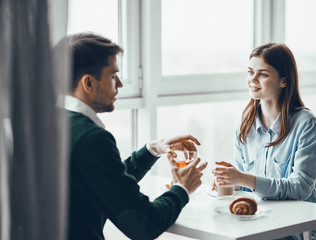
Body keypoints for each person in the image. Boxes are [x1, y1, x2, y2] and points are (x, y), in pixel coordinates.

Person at [60, 32, 207, 240]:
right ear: (88, 83)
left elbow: (108, 183)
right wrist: (182, 188)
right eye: (113, 76)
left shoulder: (46, 122)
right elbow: (144, 224)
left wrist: (152, 149)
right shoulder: (91, 138)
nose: (119, 84)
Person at [213, 43, 316, 240]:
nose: (252, 80)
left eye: (262, 74)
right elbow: (246, 188)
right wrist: (231, 182)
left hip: (293, 233)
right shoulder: (245, 125)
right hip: (256, 229)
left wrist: (243, 179)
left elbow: (300, 188)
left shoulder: (306, 124)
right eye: (250, 72)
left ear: (283, 80)